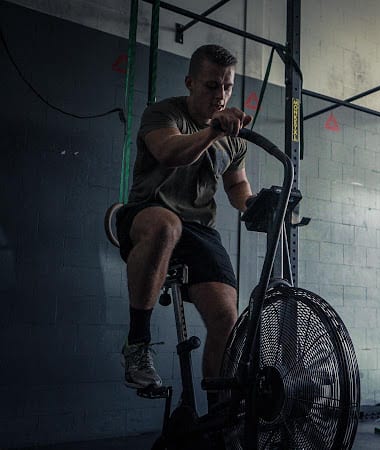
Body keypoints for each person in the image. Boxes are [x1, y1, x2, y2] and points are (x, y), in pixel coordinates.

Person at [115, 44, 253, 400]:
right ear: (191, 82)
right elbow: (169, 153)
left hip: (199, 229)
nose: (220, 95)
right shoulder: (163, 113)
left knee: (226, 318)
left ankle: (219, 416)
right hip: (147, 212)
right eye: (211, 86)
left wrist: (253, 205)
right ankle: (138, 344)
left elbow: (236, 184)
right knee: (167, 226)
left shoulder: (233, 141)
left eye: (227, 87)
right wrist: (213, 133)